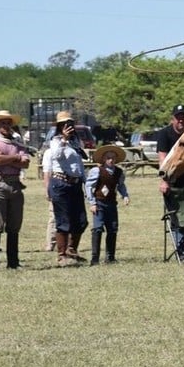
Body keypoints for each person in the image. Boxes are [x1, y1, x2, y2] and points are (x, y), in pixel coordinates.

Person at [0, 110, 31, 269]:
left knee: (14, 225)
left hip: (16, 185)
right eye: (2, 123)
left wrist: (8, 159)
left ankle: (13, 261)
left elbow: (25, 163)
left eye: (8, 123)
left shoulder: (18, 143)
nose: (5, 126)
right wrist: (15, 158)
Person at [44, 111, 88, 267]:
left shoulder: (75, 143)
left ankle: (72, 250)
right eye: (64, 124)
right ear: (59, 127)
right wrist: (63, 139)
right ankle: (61, 254)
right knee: (63, 221)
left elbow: (79, 165)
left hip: (75, 184)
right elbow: (56, 155)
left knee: (81, 220)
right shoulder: (55, 141)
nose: (68, 127)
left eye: (70, 124)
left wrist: (84, 181)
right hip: (60, 183)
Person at [157, 103, 184, 261]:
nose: (181, 120)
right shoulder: (164, 134)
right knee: (177, 217)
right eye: (178, 117)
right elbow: (162, 157)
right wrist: (164, 181)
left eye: (183, 117)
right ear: (172, 119)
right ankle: (182, 250)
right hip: (173, 181)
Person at [85, 145, 130, 265]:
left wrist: (125, 195)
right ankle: (95, 258)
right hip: (99, 203)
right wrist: (92, 202)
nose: (111, 160)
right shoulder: (96, 171)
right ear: (103, 159)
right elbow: (89, 186)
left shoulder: (119, 172)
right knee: (98, 229)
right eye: (108, 158)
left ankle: (110, 257)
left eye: (113, 158)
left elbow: (121, 185)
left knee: (112, 229)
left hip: (111, 204)